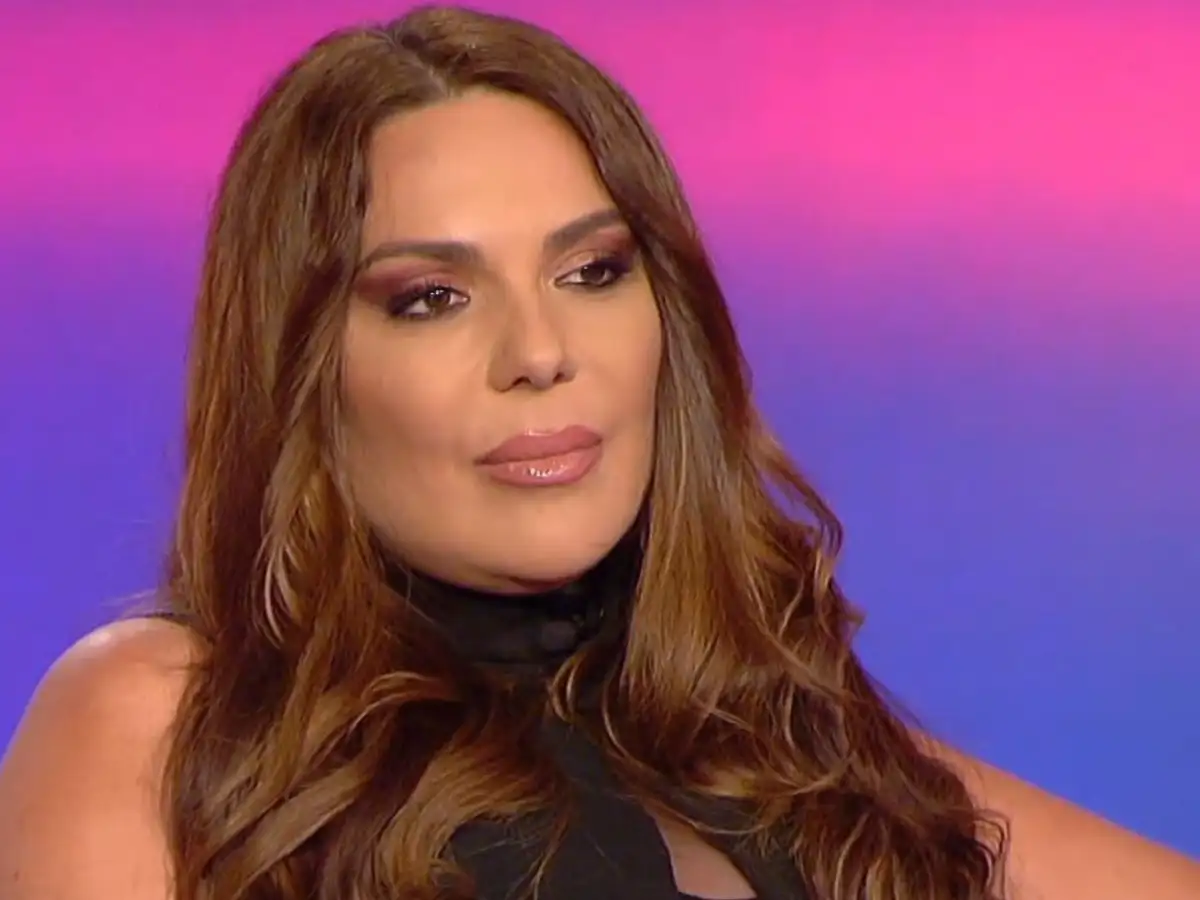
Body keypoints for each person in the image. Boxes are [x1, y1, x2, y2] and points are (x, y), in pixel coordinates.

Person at [1, 6, 1196, 900]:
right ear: (304, 369)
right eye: (430, 298)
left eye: (591, 271)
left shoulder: (801, 743)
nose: (540, 352)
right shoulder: (168, 721)